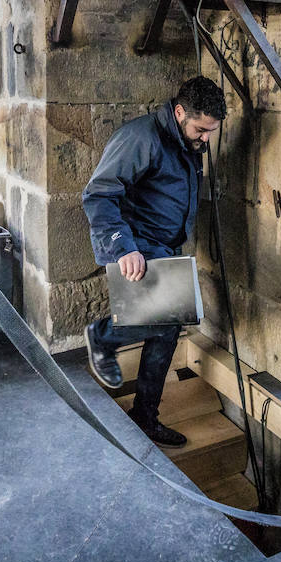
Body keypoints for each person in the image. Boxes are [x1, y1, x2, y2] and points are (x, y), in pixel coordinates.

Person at [81, 76, 226, 447]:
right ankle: (102, 336)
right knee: (163, 321)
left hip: (164, 246)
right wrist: (121, 247)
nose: (206, 138)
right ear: (179, 112)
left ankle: (145, 418)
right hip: (136, 245)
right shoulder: (141, 138)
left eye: (211, 131)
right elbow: (98, 194)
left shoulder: (184, 139)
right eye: (201, 129)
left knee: (167, 329)